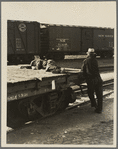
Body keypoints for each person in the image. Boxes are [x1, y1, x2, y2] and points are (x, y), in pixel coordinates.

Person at [81, 48, 103, 113]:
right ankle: (99, 109)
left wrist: (83, 78)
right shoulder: (95, 60)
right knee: (99, 95)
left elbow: (83, 70)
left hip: (91, 80)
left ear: (88, 53)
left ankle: (94, 104)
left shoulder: (86, 61)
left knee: (90, 93)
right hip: (98, 79)